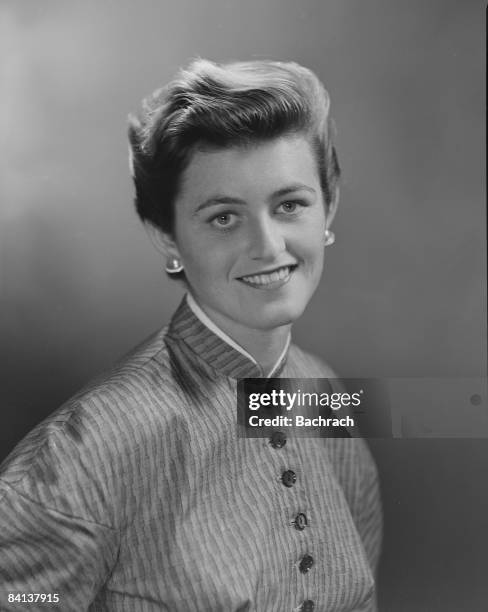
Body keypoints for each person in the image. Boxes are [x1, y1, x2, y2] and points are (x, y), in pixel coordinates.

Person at [0, 58, 382, 611]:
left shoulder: (326, 398)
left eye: (290, 204)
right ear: (167, 236)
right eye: (224, 217)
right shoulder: (89, 447)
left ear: (330, 206)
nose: (268, 246)